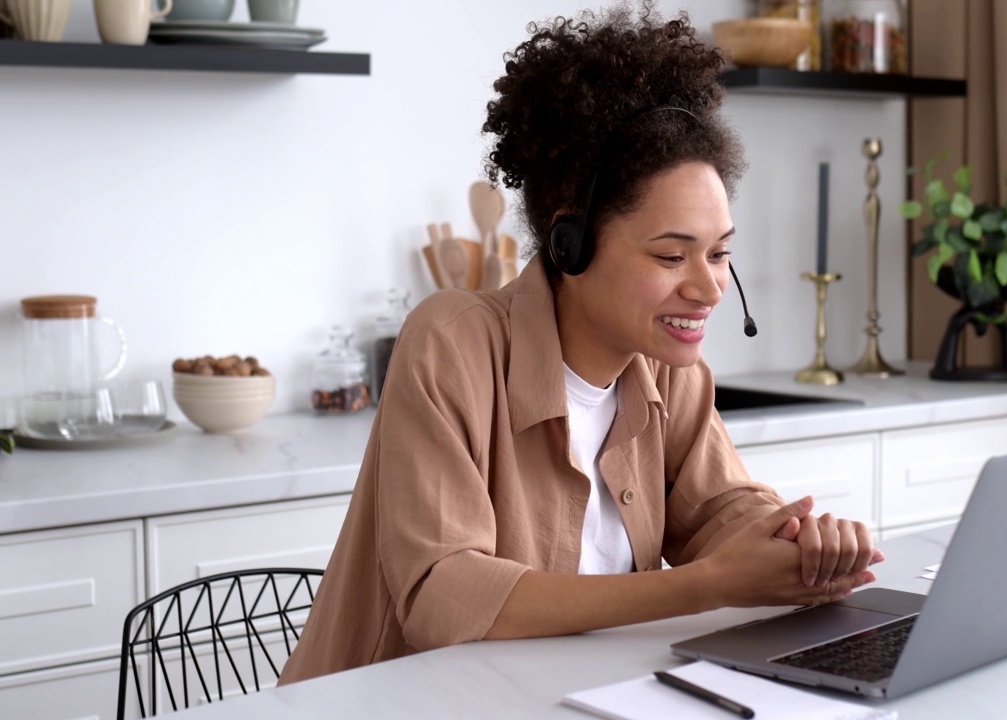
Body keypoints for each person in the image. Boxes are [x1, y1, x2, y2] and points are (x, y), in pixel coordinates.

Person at [279, 0, 883, 685]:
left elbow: (721, 509)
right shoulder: (453, 344)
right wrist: (707, 585)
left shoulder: (667, 368)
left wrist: (799, 542)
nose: (710, 289)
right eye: (669, 256)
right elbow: (444, 597)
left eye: (718, 254)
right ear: (571, 243)